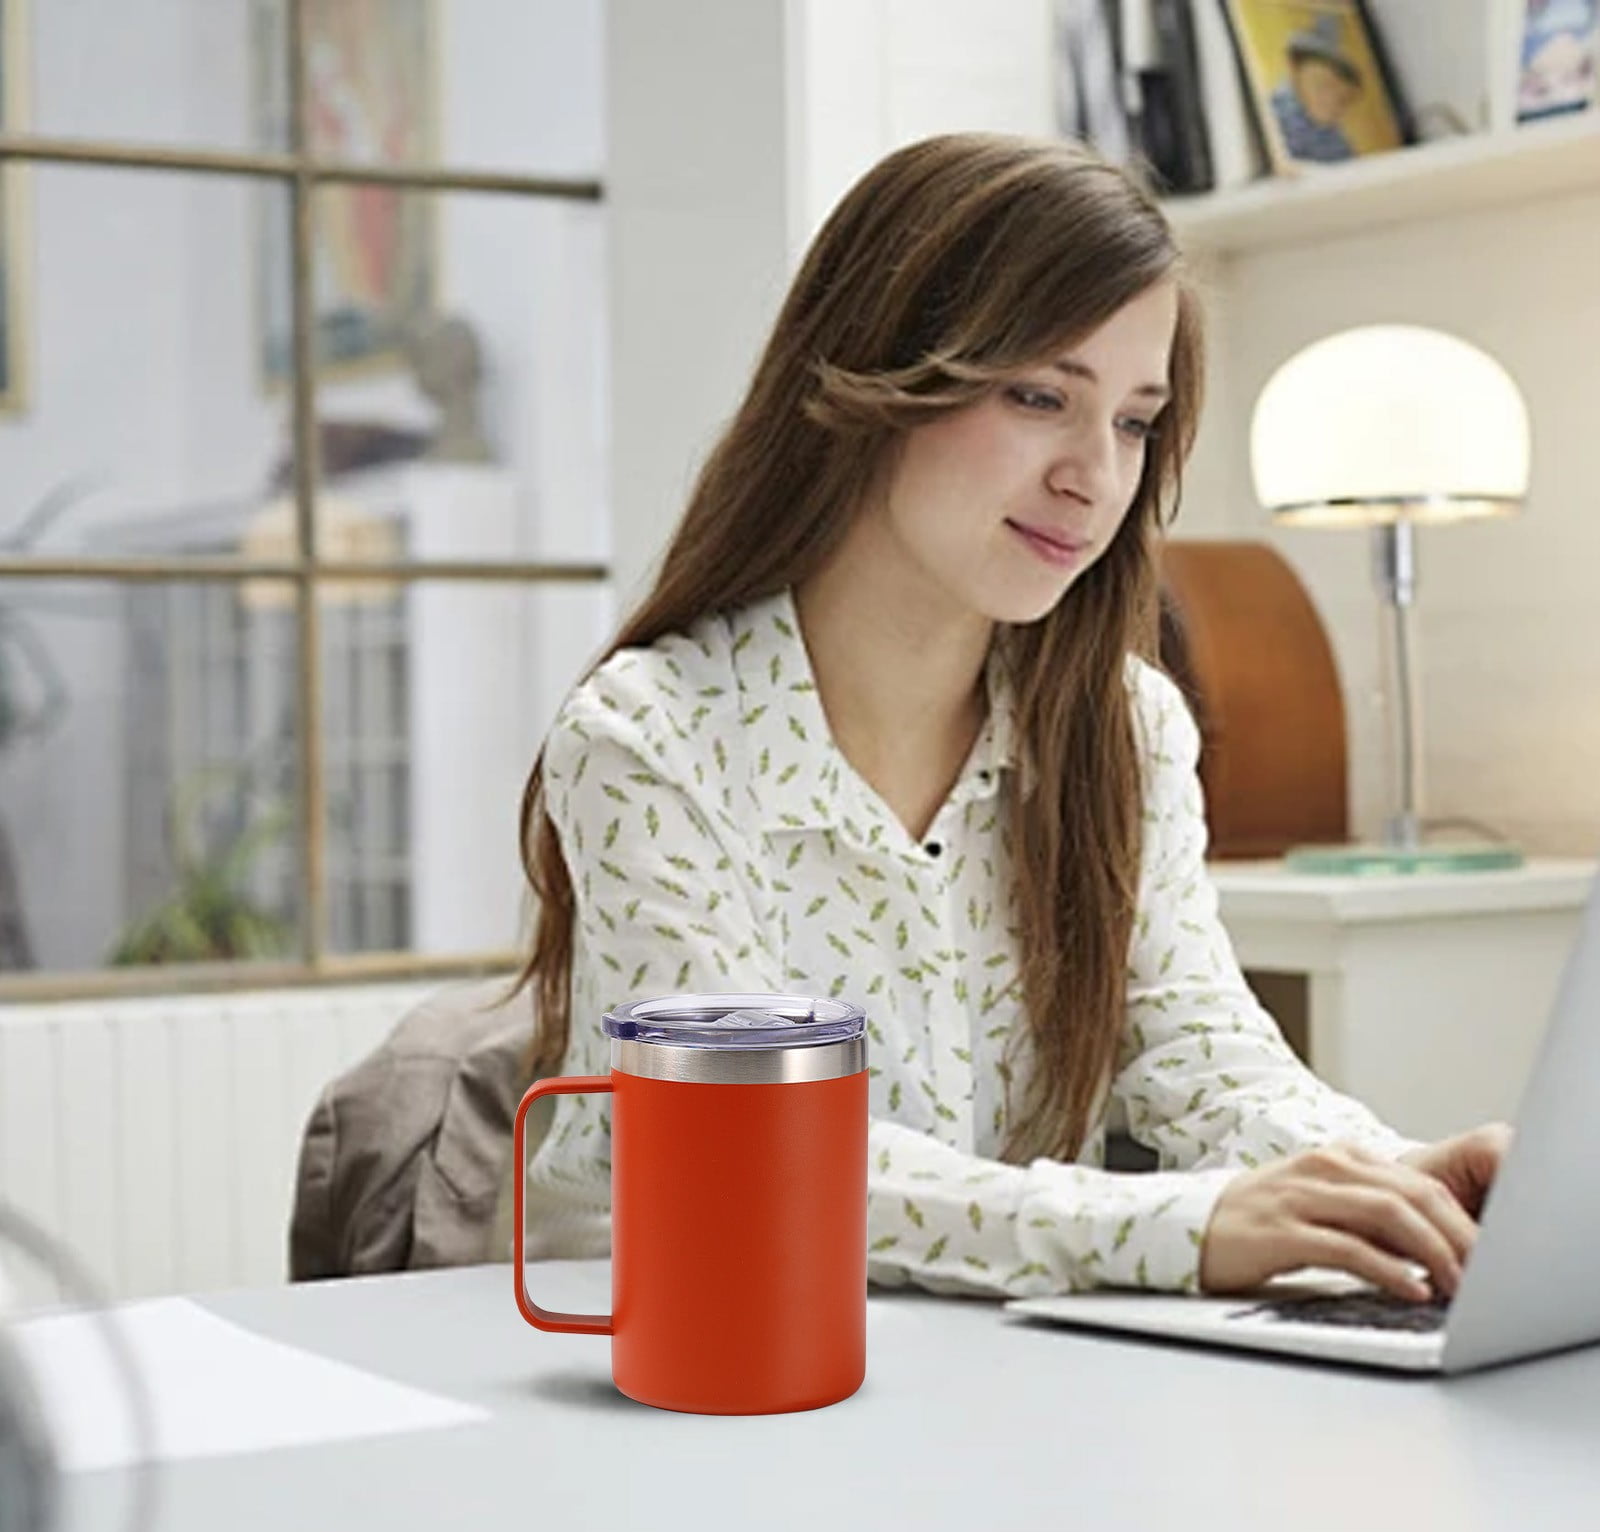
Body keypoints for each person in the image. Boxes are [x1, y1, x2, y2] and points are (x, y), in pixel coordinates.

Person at [513, 132, 1510, 1304]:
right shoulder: (650, 737)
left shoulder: (1123, 727)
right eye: (1041, 396)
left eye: (1135, 421)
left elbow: (1197, 1048)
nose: (1093, 474)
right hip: (684, 1365)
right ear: (875, 377)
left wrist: (1393, 1184)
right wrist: (1178, 1227)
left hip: (985, 1371)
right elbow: (751, 1154)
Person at [1270, 16, 1362, 163]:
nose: (1331, 100)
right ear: (1294, 71)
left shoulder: (1335, 139)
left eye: (1343, 100)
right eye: (1323, 85)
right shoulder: (1274, 116)